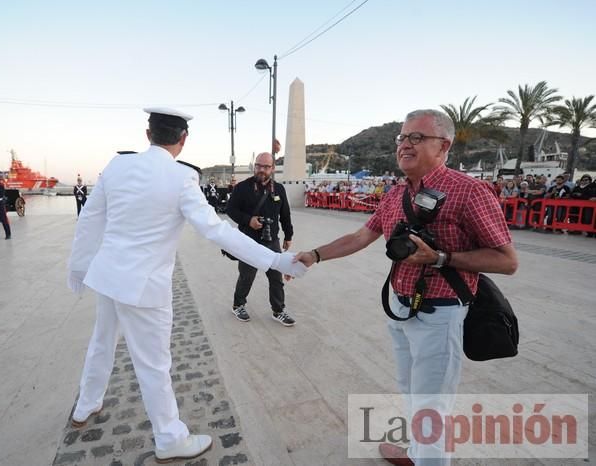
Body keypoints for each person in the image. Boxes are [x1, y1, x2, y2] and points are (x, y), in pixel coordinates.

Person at [66, 108, 306, 464]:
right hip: (145, 287)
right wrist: (274, 260)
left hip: (108, 275)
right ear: (183, 139)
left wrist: (79, 268)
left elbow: (90, 220)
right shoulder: (181, 178)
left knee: (101, 341)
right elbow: (216, 230)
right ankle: (169, 438)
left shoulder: (117, 166)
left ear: (147, 133)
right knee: (153, 365)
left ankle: (86, 405)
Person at [295, 109, 518, 466]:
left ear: (443, 145)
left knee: (431, 405)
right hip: (400, 309)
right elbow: (360, 235)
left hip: (440, 312)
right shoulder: (395, 194)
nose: (405, 145)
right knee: (411, 390)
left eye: (417, 137)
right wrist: (314, 255)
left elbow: (507, 261)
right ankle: (416, 453)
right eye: (402, 137)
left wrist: (440, 258)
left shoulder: (469, 191)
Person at [226, 152, 296, 326]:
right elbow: (230, 209)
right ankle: (238, 305)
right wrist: (248, 220)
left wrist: (288, 235)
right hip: (248, 241)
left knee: (276, 278)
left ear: (272, 169)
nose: (261, 170)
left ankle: (278, 310)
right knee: (246, 276)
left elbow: (285, 214)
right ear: (254, 166)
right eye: (258, 165)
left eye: (266, 167)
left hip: (271, 241)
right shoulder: (242, 188)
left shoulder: (279, 189)